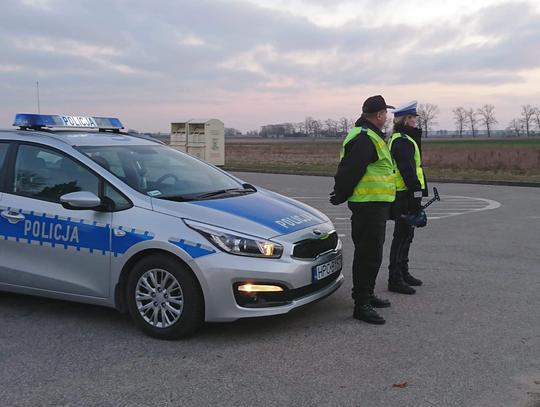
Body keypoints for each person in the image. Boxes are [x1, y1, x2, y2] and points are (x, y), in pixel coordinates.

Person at [330, 95, 396, 325]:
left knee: (372, 254)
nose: (386, 117)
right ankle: (362, 304)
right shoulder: (365, 137)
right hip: (368, 206)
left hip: (374, 204)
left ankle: (367, 294)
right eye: (385, 113)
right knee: (368, 255)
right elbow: (349, 170)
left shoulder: (370, 136)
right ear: (379, 115)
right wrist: (340, 193)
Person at [387, 101, 427, 295]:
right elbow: (408, 171)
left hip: (404, 193)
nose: (415, 121)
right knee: (402, 236)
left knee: (406, 235)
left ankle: (403, 272)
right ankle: (395, 277)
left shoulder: (402, 138)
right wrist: (416, 197)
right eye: (413, 118)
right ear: (407, 119)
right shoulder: (403, 140)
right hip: (404, 194)